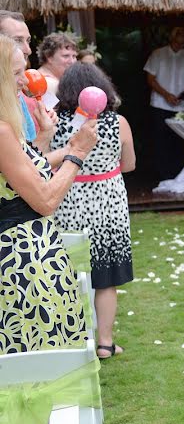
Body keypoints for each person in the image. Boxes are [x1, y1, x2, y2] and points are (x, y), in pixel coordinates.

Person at [0, 35, 99, 355]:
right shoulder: (1, 131)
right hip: (24, 264)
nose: (25, 80)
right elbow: (44, 200)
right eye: (16, 73)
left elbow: (24, 173)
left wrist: (48, 138)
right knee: (34, 369)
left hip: (27, 256)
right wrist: (78, 155)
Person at [50, 63, 135, 359]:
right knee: (106, 276)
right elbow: (130, 164)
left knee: (69, 273)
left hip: (68, 198)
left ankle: (73, 340)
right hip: (108, 202)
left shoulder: (54, 123)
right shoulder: (118, 122)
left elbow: (42, 160)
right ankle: (105, 342)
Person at [143, 26, 184, 181]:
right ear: (172, 39)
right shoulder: (158, 54)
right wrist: (166, 95)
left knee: (179, 142)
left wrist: (181, 96)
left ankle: (178, 174)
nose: (179, 45)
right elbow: (150, 78)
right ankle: (162, 175)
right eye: (177, 42)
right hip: (160, 104)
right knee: (161, 141)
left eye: (182, 43)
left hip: (181, 106)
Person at [0, 11, 42, 142]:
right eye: (17, 40)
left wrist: (46, 132)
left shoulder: (16, 94)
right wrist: (77, 150)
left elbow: (31, 156)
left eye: (28, 41)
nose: (28, 49)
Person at [37, 32, 78, 97]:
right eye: (66, 56)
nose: (72, 61)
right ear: (49, 57)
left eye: (74, 56)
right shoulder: (49, 84)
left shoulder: (38, 76)